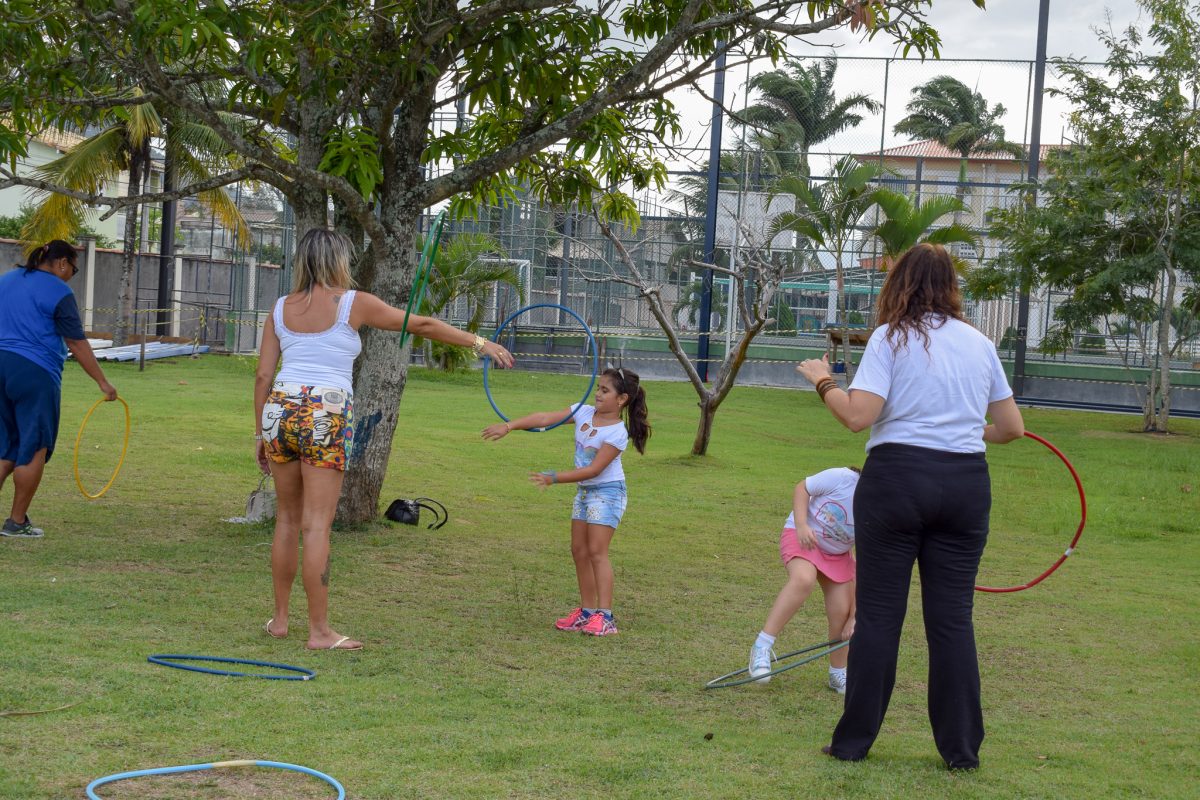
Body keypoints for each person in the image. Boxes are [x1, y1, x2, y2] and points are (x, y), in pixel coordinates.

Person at [795, 243, 1025, 770]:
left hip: (896, 481)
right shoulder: (979, 343)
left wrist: (822, 381)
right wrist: (967, 432)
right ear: (951, 287)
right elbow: (1012, 428)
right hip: (964, 485)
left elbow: (858, 416)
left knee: (879, 617)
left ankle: (853, 744)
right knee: (952, 621)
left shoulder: (891, 337)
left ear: (899, 283)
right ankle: (961, 752)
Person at [254, 228, 513, 650]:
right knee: (316, 525)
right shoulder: (352, 302)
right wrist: (479, 342)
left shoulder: (280, 308)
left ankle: (280, 620)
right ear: (339, 260)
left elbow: (264, 375)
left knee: (287, 520)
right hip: (325, 411)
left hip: (279, 410)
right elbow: (421, 324)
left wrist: (261, 433)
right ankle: (319, 632)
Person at [481, 367, 650, 637]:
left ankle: (605, 617)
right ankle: (587, 612)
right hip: (585, 493)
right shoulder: (584, 412)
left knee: (597, 552)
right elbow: (544, 417)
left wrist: (554, 478)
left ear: (622, 399)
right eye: (598, 388)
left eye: (605, 391)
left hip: (607, 493)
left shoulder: (617, 432)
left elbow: (594, 470)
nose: (597, 394)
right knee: (579, 551)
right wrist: (509, 426)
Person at [0, 241, 117, 538]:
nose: (70, 276)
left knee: (5, 445)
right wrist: (103, 382)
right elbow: (76, 342)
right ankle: (16, 522)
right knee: (33, 445)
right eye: (73, 270)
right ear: (62, 262)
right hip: (34, 371)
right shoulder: (58, 292)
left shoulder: (7, 280)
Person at [748, 467, 859, 693]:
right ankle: (762, 646)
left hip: (838, 555)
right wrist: (801, 524)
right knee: (804, 579)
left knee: (842, 609)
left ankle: (838, 673)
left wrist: (855, 616)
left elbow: (868, 565)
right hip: (805, 538)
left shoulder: (883, 508)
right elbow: (802, 488)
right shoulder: (843, 478)